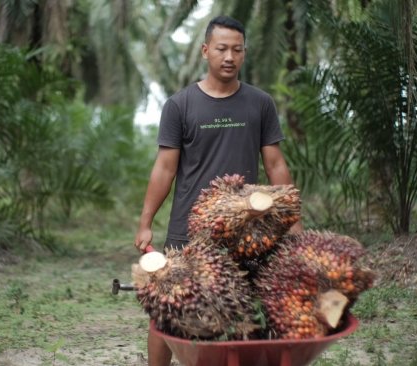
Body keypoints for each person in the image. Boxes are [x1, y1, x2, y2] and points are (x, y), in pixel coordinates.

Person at [133, 15, 303, 366]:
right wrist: (146, 221)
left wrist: (292, 220)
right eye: (222, 49)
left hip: (249, 229)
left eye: (237, 50)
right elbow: (165, 168)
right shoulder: (180, 105)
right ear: (205, 50)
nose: (229, 57)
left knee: (252, 304)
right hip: (188, 227)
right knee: (168, 305)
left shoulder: (260, 103)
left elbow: (275, 165)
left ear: (244, 53)